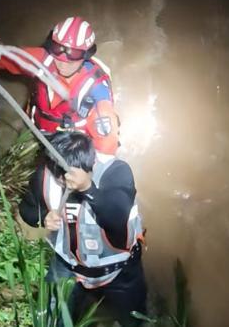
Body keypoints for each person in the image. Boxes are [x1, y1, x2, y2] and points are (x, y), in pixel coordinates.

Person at [19, 131, 146, 326]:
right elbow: (26, 208)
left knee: (134, 320)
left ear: (90, 163)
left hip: (119, 270)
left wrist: (87, 187)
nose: (64, 178)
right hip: (67, 265)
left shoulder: (116, 172)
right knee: (50, 321)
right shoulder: (45, 176)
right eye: (58, 171)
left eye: (69, 171)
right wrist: (43, 218)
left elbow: (117, 217)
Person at [0, 16, 120, 157]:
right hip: (36, 126)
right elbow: (7, 57)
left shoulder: (97, 89)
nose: (62, 62)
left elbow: (106, 146)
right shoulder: (43, 61)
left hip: (71, 144)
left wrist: (86, 178)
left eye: (72, 55)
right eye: (57, 49)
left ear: (86, 55)